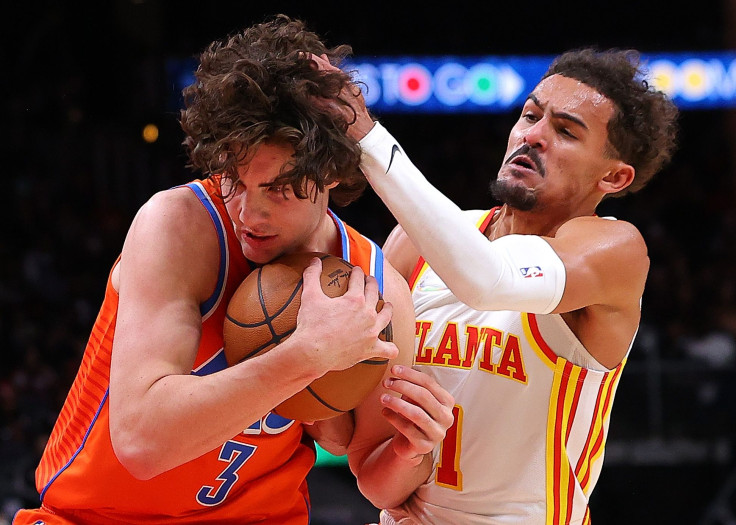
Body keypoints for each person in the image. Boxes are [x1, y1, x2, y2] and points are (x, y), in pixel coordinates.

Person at [14, 16, 453, 525]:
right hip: (101, 515)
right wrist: (307, 355)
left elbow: (376, 480)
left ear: (332, 171)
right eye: (235, 181)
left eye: (278, 189)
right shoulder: (181, 225)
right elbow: (141, 442)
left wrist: (412, 450)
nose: (248, 213)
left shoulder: (376, 289)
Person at [313, 47, 679, 523]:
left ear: (614, 176)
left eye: (565, 130)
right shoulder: (413, 246)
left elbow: (487, 280)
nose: (534, 136)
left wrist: (364, 136)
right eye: (530, 115)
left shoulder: (616, 252)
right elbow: (365, 464)